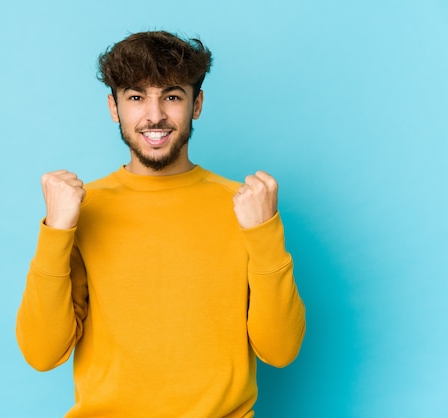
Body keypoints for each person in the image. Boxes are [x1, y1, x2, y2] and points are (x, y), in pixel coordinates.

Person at [16, 31, 306, 417]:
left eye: (171, 96)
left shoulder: (246, 206)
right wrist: (55, 232)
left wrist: (264, 232)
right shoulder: (82, 208)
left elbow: (280, 350)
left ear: (196, 104)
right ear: (113, 108)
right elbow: (42, 353)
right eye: (136, 97)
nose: (154, 115)